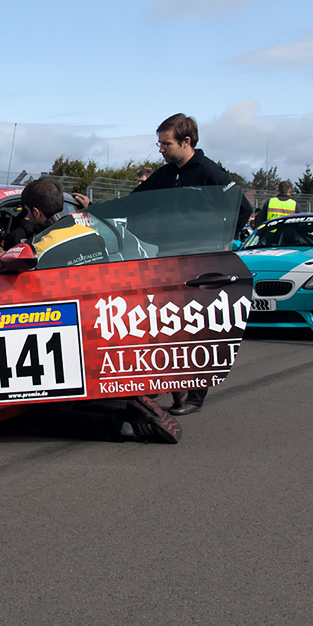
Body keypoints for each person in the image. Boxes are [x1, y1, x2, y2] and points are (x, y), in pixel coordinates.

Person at [74, 114, 252, 416]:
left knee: (195, 326)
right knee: (162, 322)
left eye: (166, 144)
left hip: (200, 259)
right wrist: (94, 209)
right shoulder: (165, 174)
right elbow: (134, 202)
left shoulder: (210, 172)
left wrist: (221, 241)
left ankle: (195, 395)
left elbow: (244, 208)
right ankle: (160, 381)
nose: (161, 150)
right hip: (167, 257)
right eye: (159, 144)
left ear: (187, 142)